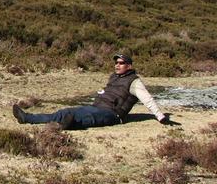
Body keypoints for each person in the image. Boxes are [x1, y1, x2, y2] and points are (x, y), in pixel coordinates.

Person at [13, 53, 173, 130]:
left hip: (113, 114)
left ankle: (69, 125)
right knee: (65, 111)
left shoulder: (134, 81)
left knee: (85, 117)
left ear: (129, 66)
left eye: (121, 63)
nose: (117, 65)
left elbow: (148, 99)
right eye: (116, 63)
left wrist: (160, 117)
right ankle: (27, 117)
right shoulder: (114, 77)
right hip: (97, 106)